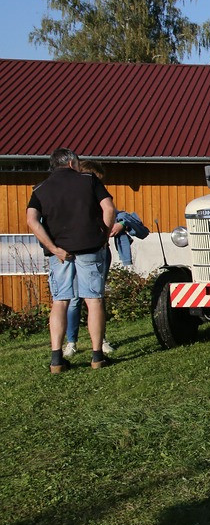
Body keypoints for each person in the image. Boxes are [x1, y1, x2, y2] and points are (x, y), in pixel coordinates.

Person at [26, 148, 117, 373]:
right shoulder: (89, 180)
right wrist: (103, 236)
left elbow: (32, 220)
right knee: (93, 300)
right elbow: (109, 208)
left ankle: (57, 359)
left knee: (60, 302)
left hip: (60, 255)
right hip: (90, 248)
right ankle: (97, 356)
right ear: (71, 163)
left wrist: (53, 248)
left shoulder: (40, 189)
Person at [62, 159, 122, 360]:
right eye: (96, 180)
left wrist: (117, 226)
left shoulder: (100, 198)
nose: (98, 185)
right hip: (77, 250)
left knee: (96, 297)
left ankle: (100, 340)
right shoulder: (74, 198)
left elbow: (118, 213)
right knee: (74, 299)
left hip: (98, 251)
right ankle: (71, 341)